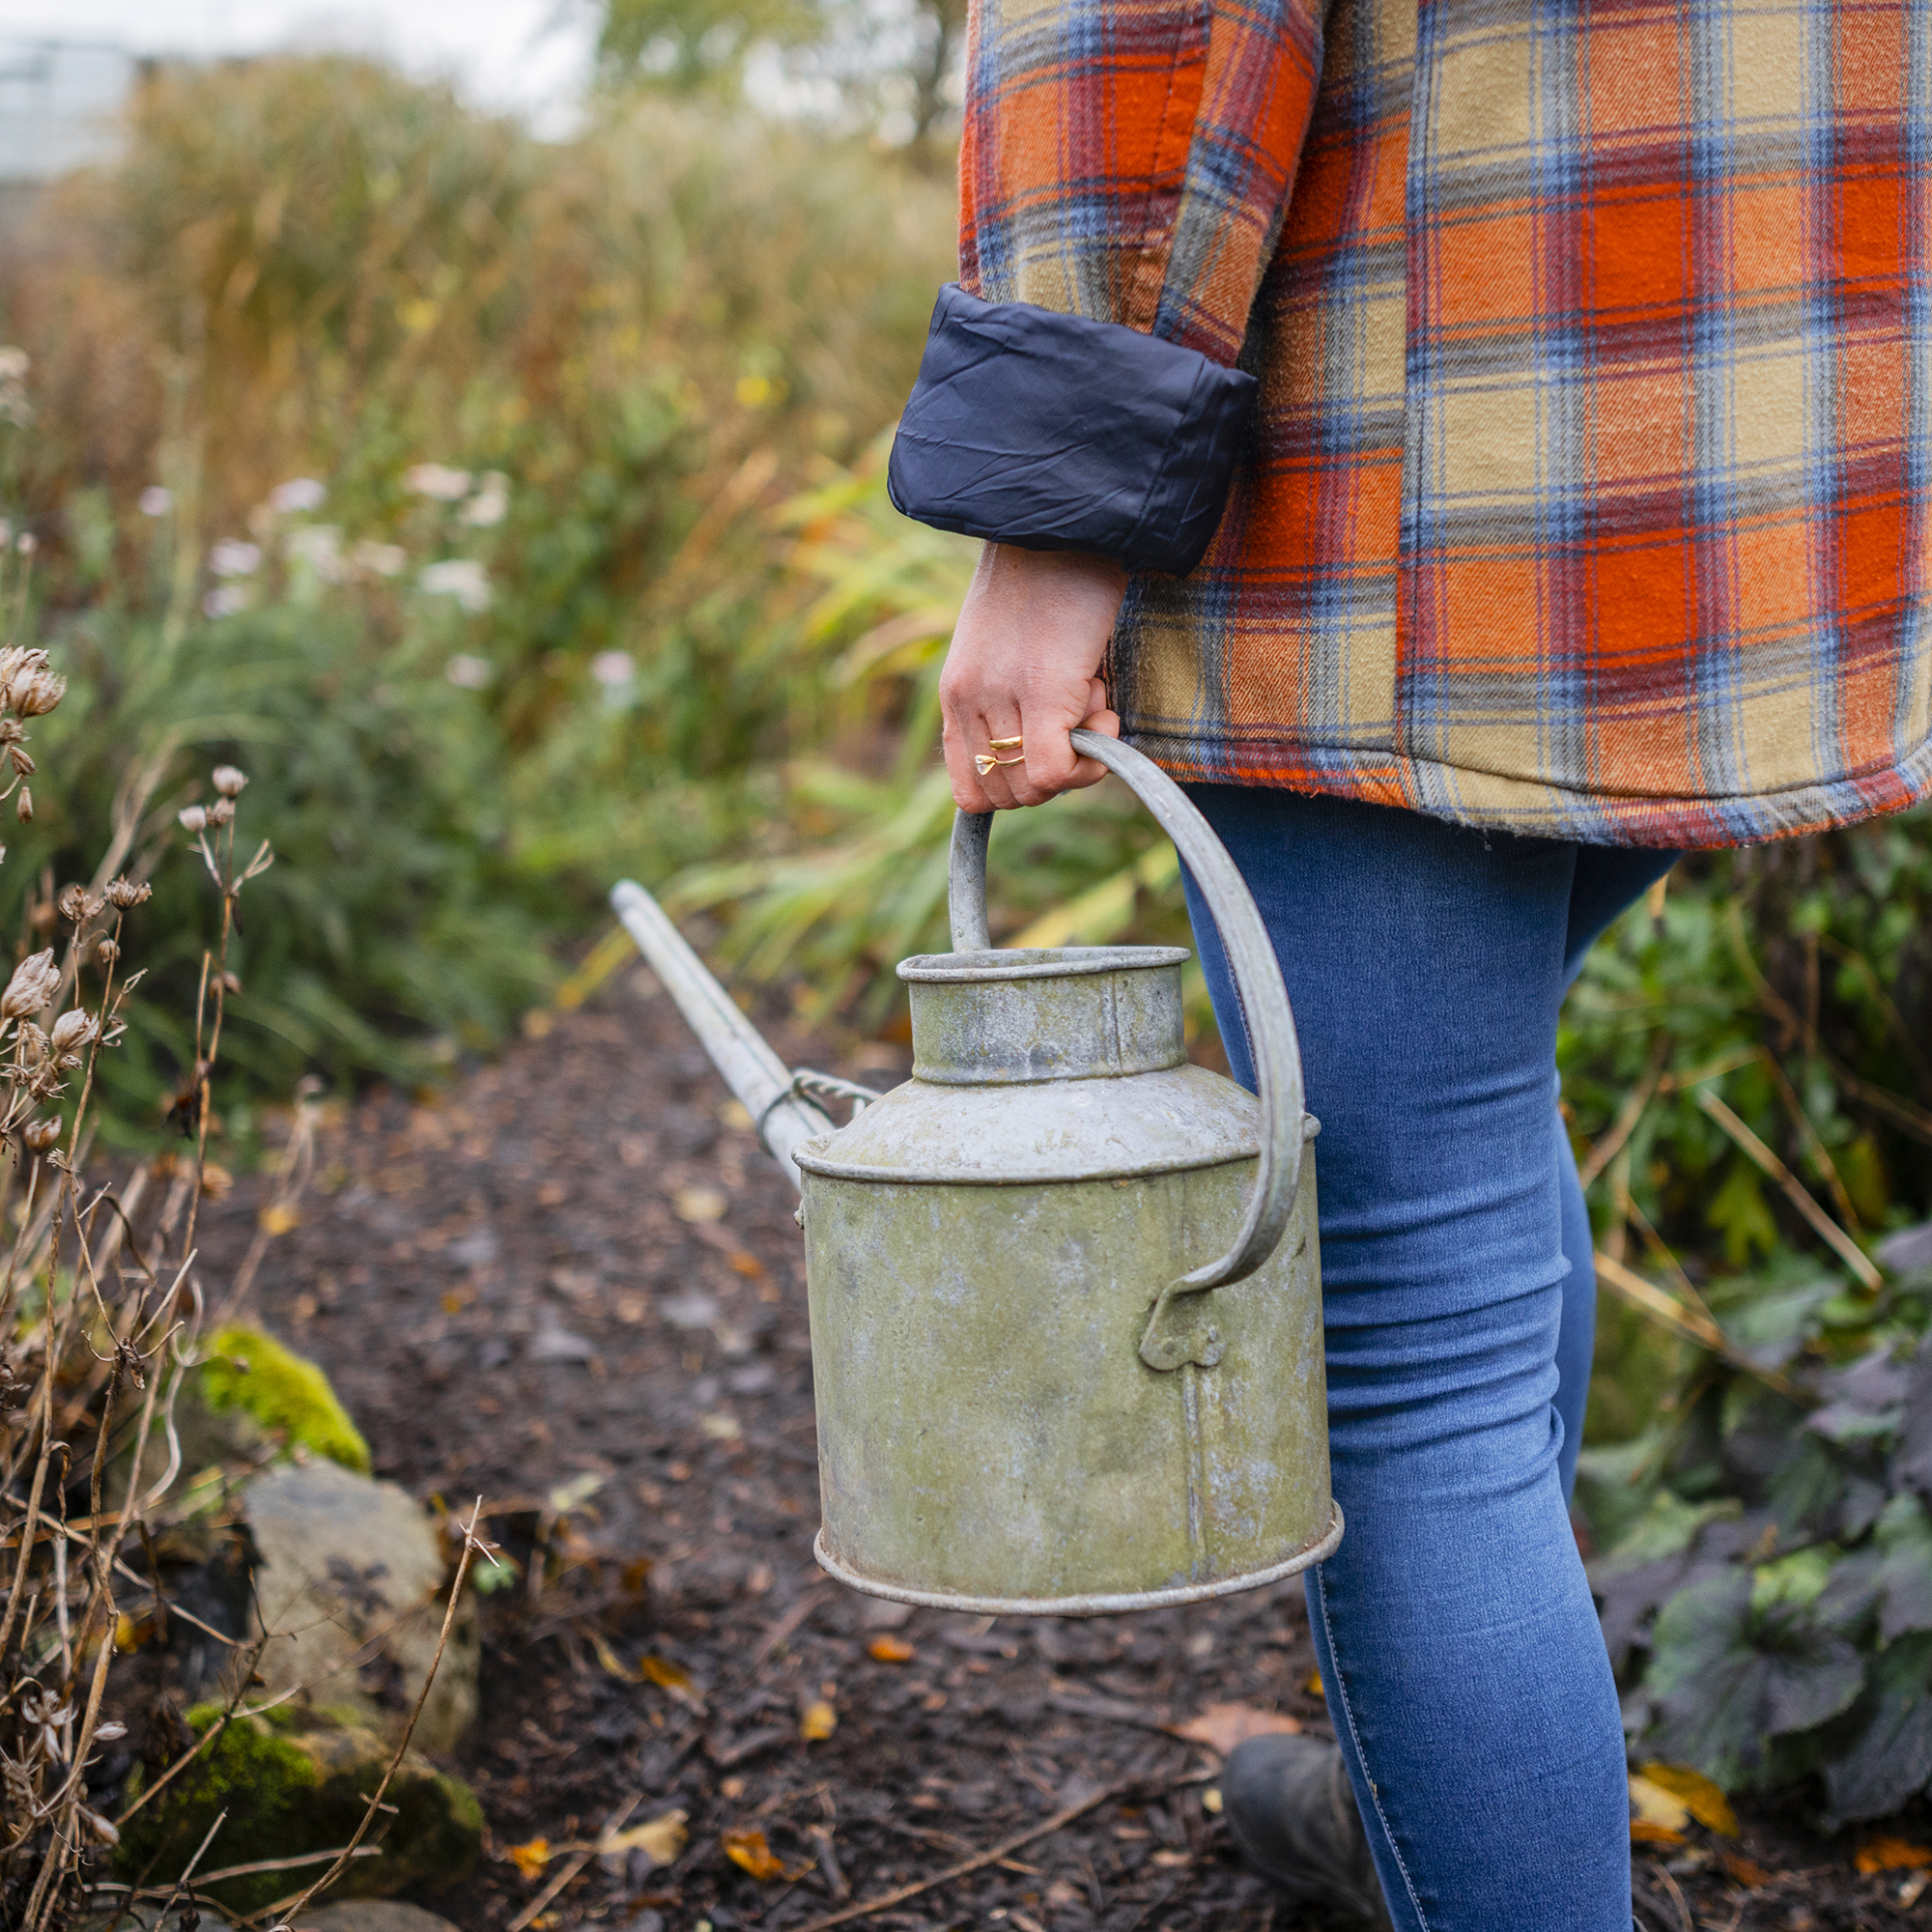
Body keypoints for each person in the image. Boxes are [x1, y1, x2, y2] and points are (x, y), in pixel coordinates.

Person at [883, 0, 1932, 1918]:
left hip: (1419, 432)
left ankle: (1485, 1843)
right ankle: (1440, 1822)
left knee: (1400, 1324)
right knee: (1455, 1125)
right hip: (1755, 409)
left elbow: (1147, 27)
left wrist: (1050, 500)